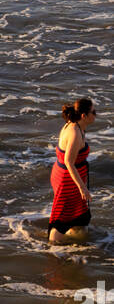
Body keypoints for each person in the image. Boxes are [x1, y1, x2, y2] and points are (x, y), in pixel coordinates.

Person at [48, 98, 96, 244]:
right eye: (93, 112)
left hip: (67, 176)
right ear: (84, 116)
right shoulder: (75, 133)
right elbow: (69, 162)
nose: (96, 115)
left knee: (77, 213)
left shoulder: (75, 125)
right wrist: (82, 188)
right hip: (67, 180)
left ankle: (75, 245)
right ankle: (53, 249)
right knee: (62, 218)